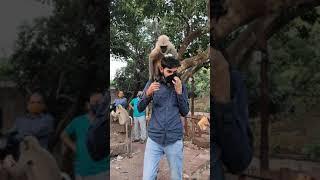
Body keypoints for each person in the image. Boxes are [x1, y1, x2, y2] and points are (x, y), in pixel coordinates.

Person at [138, 55, 189, 180]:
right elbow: (139, 108)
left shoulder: (180, 85)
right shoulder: (152, 83)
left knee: (176, 177)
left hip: (174, 139)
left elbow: (185, 112)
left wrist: (179, 92)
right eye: (169, 71)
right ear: (162, 69)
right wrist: (148, 94)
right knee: (148, 177)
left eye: (175, 71)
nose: (173, 74)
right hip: (154, 138)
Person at [60, 92, 108, 180]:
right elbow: (63, 135)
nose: (99, 105)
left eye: (101, 102)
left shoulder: (105, 122)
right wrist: (75, 147)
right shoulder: (77, 121)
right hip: (81, 171)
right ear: (88, 105)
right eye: (95, 102)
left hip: (103, 171)